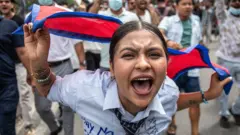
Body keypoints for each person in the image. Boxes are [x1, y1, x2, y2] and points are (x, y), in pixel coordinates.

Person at [23, 20, 231, 135]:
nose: (142, 64)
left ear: (166, 64)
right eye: (129, 55)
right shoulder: (84, 87)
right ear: (112, 67)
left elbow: (171, 102)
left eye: (154, 54)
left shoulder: (168, 89)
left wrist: (208, 94)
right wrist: (38, 62)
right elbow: (48, 88)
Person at [32, 1, 86, 135]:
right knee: (42, 107)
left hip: (64, 66)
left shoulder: (65, 13)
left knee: (67, 107)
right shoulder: (32, 15)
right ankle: (54, 128)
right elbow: (29, 47)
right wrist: (31, 73)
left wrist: (82, 64)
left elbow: (77, 41)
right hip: (42, 69)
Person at [158, 0, 203, 135]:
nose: (188, 6)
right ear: (176, 6)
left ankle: (195, 132)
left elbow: (198, 40)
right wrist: (168, 42)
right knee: (171, 99)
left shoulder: (196, 20)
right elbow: (159, 32)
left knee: (195, 101)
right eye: (184, 3)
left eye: (190, 4)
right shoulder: (169, 20)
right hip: (173, 69)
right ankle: (172, 124)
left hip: (192, 69)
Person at [0, 0, 35, 134]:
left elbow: (23, 49)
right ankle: (17, 116)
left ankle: (28, 124)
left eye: (7, 1)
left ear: (12, 5)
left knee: (24, 94)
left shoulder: (16, 22)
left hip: (17, 66)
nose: (3, 4)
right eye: (1, 2)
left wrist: (31, 73)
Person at [89, 0, 139, 71]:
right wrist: (97, 2)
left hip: (127, 62)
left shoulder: (132, 17)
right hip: (106, 63)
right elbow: (89, 20)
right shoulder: (102, 16)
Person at [214, 0, 240, 129]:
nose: (237, 3)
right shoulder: (223, 16)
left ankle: (236, 110)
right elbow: (219, 5)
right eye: (234, 0)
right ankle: (224, 115)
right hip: (226, 60)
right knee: (225, 90)